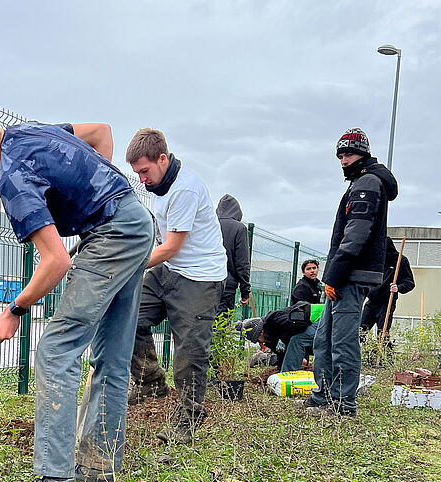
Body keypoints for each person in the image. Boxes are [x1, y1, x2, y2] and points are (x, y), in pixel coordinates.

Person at [0, 98, 154, 482]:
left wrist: (14, 308)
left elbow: (56, 262)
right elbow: (101, 132)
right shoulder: (32, 131)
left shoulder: (12, 178)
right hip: (136, 222)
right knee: (111, 355)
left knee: (56, 351)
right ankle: (98, 468)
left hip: (115, 232)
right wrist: (94, 197)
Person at [125, 128, 227, 443]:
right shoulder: (161, 187)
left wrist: (129, 267)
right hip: (169, 270)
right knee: (126, 316)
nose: (142, 179)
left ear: (163, 159)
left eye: (145, 171)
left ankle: (189, 417)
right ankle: (150, 381)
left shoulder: (185, 190)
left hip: (200, 277)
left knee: (189, 352)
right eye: (137, 173)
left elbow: (171, 247)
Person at [303, 128, 397, 418]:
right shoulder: (360, 181)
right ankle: (322, 398)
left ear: (364, 154)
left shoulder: (367, 183)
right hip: (346, 274)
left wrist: (333, 276)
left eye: (350, 154)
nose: (344, 160)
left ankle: (344, 405)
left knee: (342, 342)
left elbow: (356, 235)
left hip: (351, 276)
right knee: (324, 338)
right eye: (341, 155)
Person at [237, 302, 322, 372]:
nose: (260, 343)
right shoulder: (271, 337)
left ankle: (289, 378)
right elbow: (282, 353)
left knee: (296, 341)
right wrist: (280, 370)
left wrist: (285, 339)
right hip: (314, 323)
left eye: (258, 340)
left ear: (261, 332)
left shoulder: (276, 320)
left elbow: (301, 323)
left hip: (321, 316)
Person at [360, 237, 415, 336]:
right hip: (372, 301)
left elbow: (409, 283)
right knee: (361, 330)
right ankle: (362, 350)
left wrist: (398, 287)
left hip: (386, 302)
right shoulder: (376, 260)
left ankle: (383, 350)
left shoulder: (401, 261)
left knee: (382, 333)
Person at [215, 194, 251, 314]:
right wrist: (245, 292)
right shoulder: (239, 228)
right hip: (227, 285)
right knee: (221, 325)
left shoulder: (209, 224)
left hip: (202, 283)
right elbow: (242, 263)